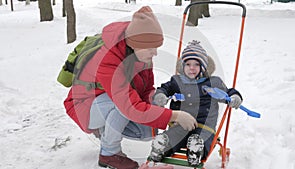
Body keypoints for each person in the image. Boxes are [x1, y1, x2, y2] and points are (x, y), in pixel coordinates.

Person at [63, 6, 198, 169]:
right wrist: (174, 116)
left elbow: (146, 89)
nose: (154, 53)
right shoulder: (108, 59)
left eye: (156, 47)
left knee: (148, 131)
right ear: (134, 44)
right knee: (122, 105)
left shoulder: (142, 55)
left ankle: (106, 130)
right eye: (150, 48)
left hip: (109, 101)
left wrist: (156, 103)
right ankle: (109, 153)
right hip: (84, 105)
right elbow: (128, 104)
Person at [149, 40, 243, 166]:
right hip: (180, 124)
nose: (191, 68)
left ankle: (196, 150)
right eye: (187, 64)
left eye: (196, 64)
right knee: (173, 135)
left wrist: (234, 97)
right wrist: (160, 95)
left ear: (203, 67)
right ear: (182, 66)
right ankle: (162, 146)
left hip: (204, 126)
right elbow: (164, 89)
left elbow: (228, 92)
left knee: (202, 138)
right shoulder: (176, 81)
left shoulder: (213, 83)